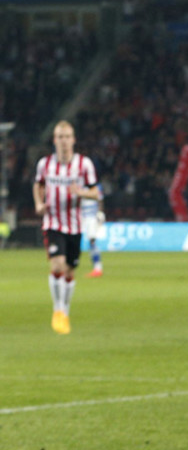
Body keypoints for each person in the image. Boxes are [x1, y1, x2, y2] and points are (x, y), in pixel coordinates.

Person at [33, 121, 100, 334]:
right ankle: (57, 310)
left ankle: (65, 311)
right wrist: (39, 203)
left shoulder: (84, 164)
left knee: (70, 270)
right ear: (54, 140)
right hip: (53, 222)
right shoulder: (45, 164)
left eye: (67, 137)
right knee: (57, 265)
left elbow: (96, 193)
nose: (63, 141)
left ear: (73, 139)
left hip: (75, 224)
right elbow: (38, 184)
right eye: (60, 137)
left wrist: (80, 192)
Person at [81, 181, 106, 278]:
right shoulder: (78, 183)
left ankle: (97, 268)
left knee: (92, 241)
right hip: (81, 216)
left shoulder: (95, 186)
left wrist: (100, 213)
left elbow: (100, 200)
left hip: (92, 216)